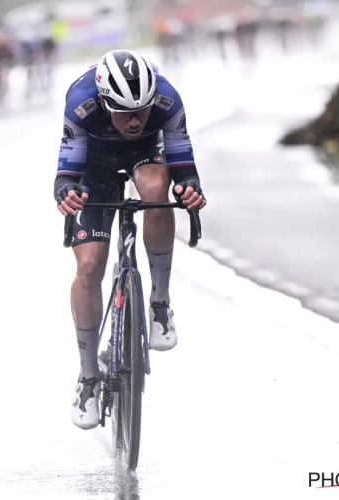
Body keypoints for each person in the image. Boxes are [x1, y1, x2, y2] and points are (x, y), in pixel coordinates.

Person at [54, 49, 207, 429]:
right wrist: (67, 193)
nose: (136, 120)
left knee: (157, 188)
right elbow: (66, 172)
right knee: (89, 266)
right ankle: (88, 377)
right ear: (105, 102)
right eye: (125, 112)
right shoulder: (81, 102)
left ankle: (159, 304)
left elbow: (183, 162)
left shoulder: (167, 100)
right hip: (95, 162)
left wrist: (189, 187)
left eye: (142, 110)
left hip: (145, 156)